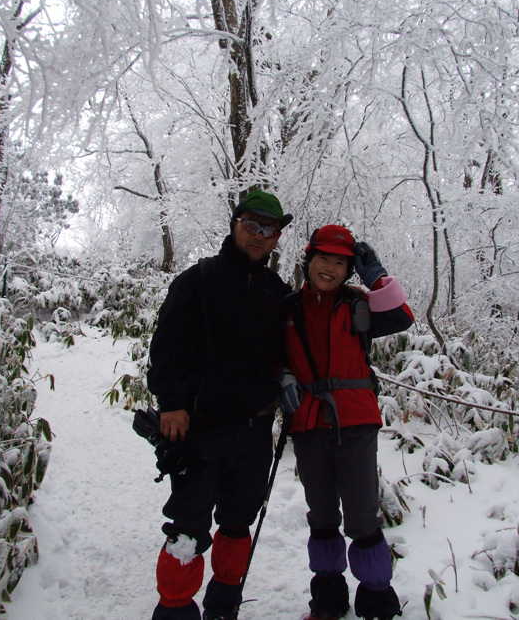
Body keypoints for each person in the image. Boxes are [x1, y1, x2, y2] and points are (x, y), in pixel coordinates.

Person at [146, 190, 293, 620]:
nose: (260, 236)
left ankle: (224, 603)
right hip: (199, 429)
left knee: (237, 520)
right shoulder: (197, 281)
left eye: (270, 231)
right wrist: (171, 403)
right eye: (252, 225)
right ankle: (174, 610)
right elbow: (167, 346)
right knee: (188, 527)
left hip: (252, 430)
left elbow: (287, 349)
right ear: (235, 223)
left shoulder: (275, 290)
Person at [278, 225, 414, 620]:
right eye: (324, 259)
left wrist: (378, 278)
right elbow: (272, 352)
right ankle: (328, 599)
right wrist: (281, 374)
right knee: (321, 515)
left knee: (361, 517)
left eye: (341, 263)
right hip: (307, 421)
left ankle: (376, 600)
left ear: (349, 270)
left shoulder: (358, 304)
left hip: (355, 420)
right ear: (309, 260)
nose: (330, 268)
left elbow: (402, 317)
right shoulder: (289, 307)